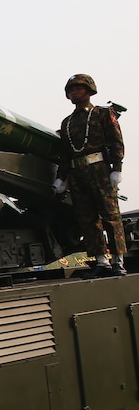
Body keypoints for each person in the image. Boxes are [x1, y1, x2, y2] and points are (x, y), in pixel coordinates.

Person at [53, 74, 127, 277]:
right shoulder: (67, 122)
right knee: (87, 219)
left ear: (89, 91)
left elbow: (116, 141)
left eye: (79, 89)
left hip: (100, 171)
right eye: (71, 90)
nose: (74, 92)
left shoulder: (102, 113)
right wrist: (61, 178)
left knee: (111, 217)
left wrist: (116, 168)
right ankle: (101, 261)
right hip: (77, 174)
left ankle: (118, 261)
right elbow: (66, 154)